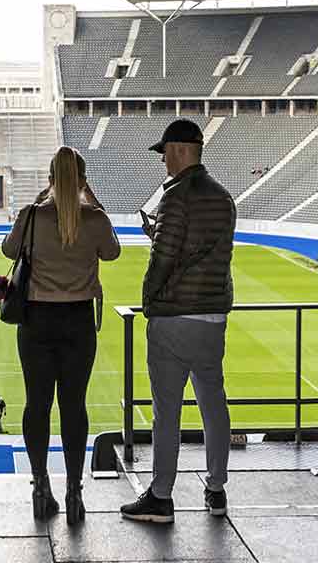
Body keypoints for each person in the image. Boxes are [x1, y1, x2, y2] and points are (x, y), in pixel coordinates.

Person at [121, 119, 236, 524]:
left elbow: (165, 260)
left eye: (166, 152)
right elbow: (202, 254)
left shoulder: (174, 198)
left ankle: (162, 497)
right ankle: (217, 489)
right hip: (213, 318)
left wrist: (149, 298)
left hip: (173, 319)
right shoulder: (224, 199)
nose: (163, 161)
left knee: (166, 410)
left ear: (181, 150)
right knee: (213, 403)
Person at [3, 146, 120, 524]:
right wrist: (90, 196)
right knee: (74, 407)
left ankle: (40, 485)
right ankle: (74, 491)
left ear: (50, 179)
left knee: (36, 405)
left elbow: (8, 248)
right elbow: (113, 252)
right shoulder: (94, 219)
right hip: (78, 321)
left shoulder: (34, 216)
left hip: (36, 320)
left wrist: (41, 199)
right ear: (83, 181)